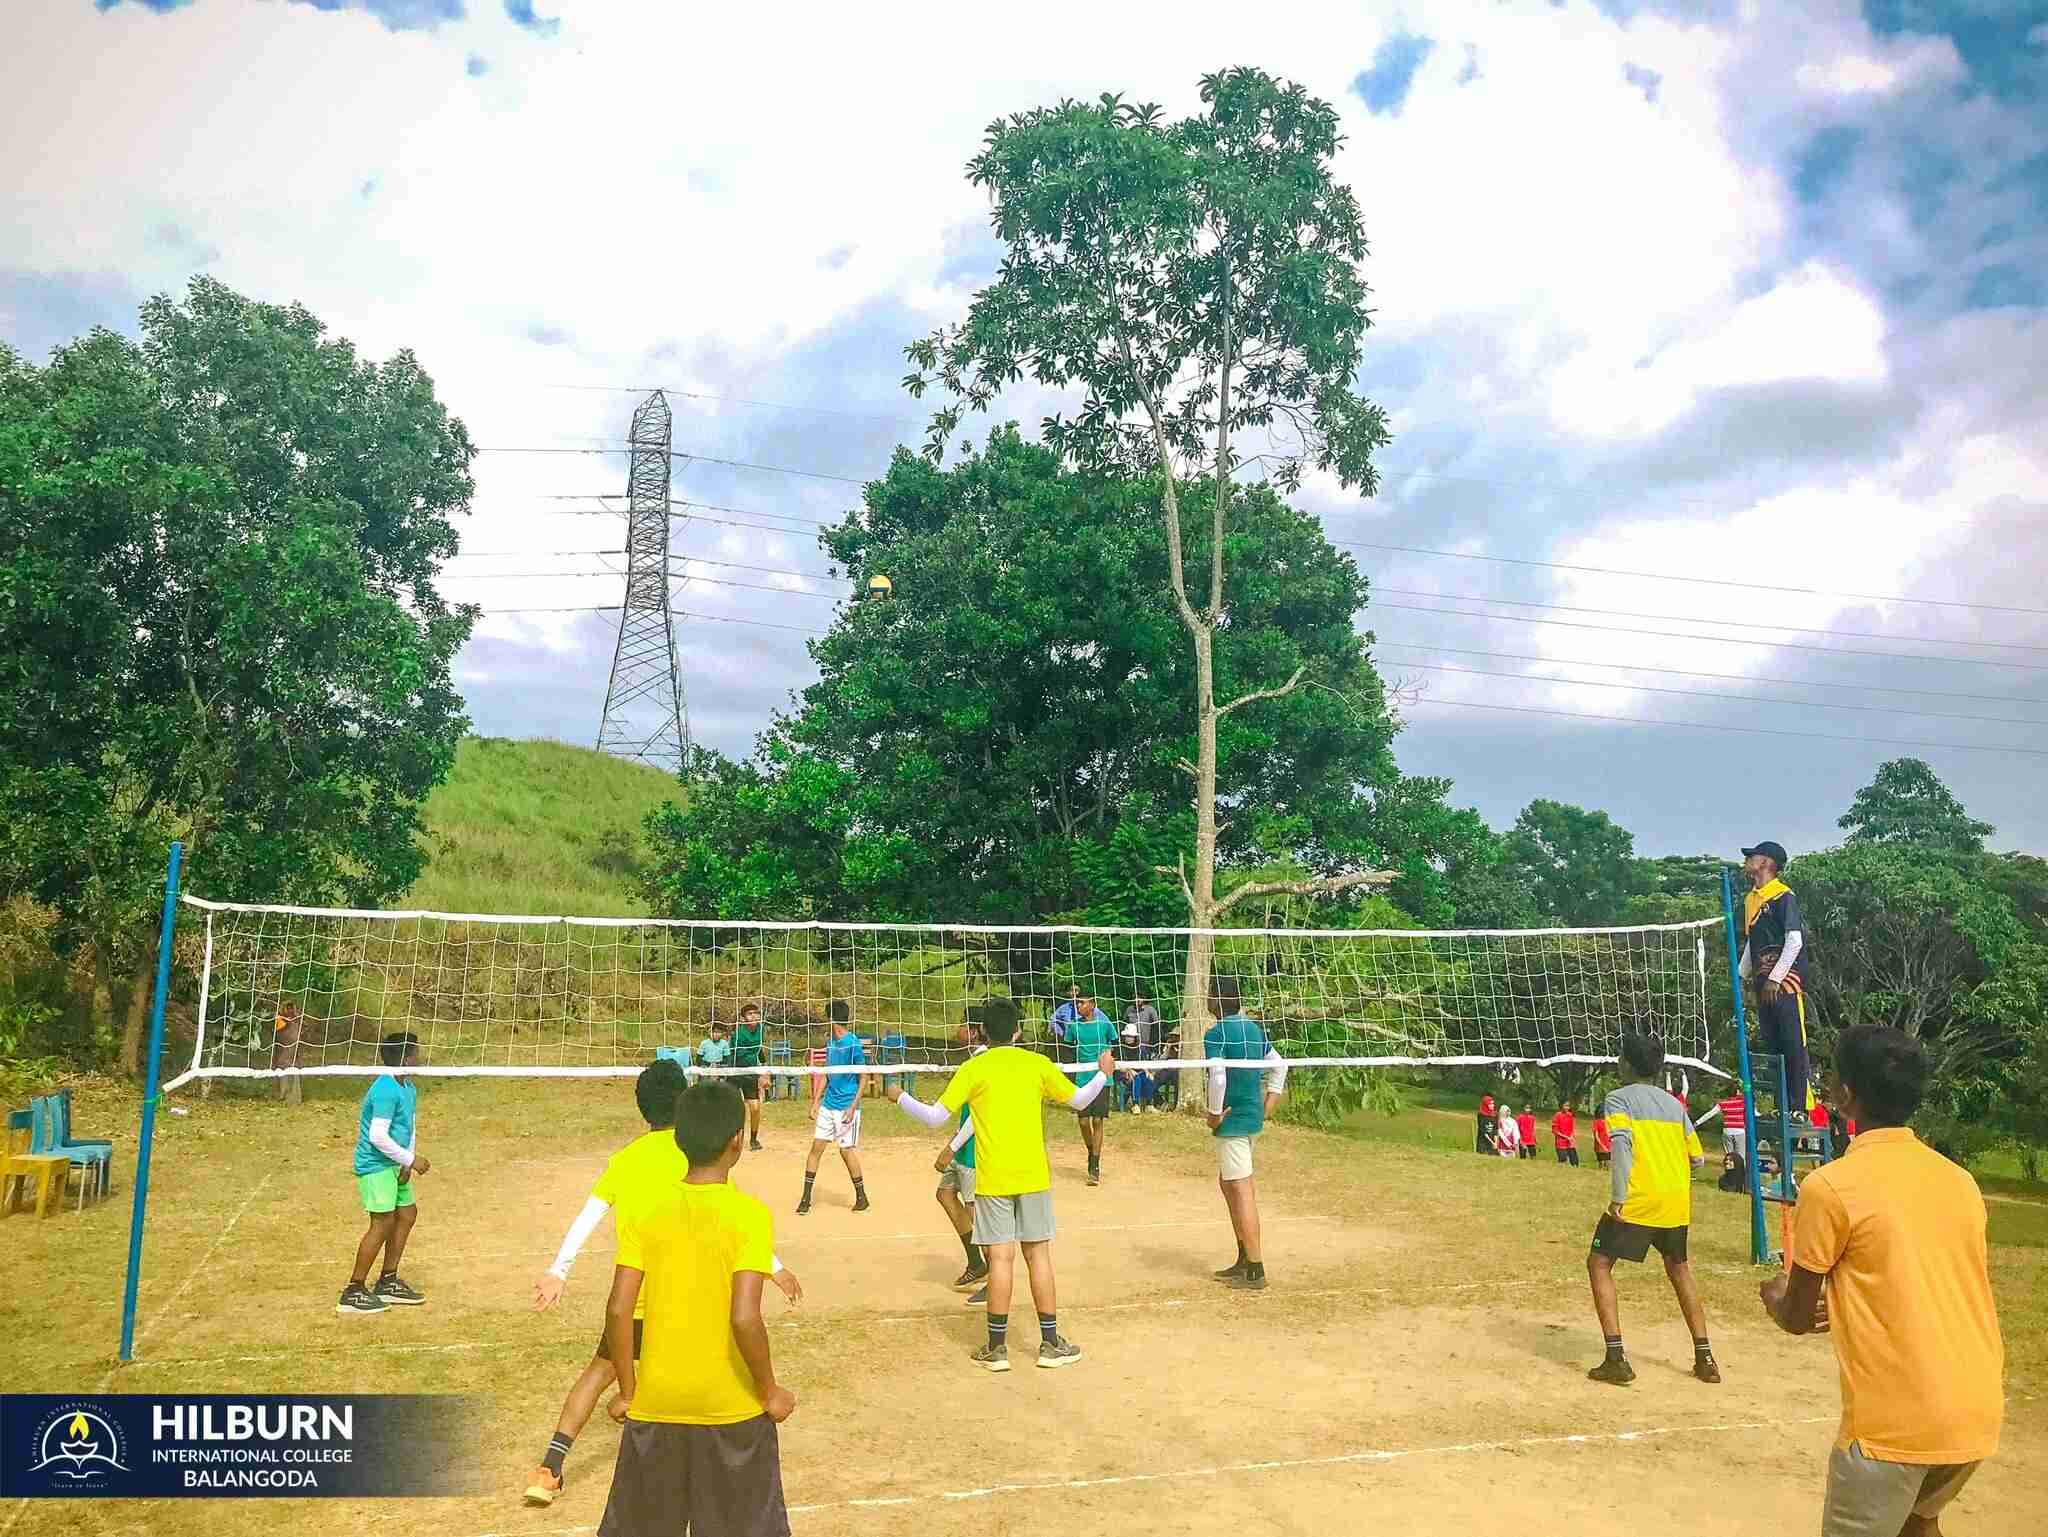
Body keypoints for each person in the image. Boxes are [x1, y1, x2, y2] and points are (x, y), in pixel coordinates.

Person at [1760, 1026, 2003, 1537]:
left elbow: (1799, 1316)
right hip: (1975, 1410)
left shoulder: (1830, 1187)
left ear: (1846, 1095)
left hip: (1895, 1427)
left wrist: (1777, 1294)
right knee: (1919, 1523)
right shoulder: (1958, 1181)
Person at [524, 1061, 801, 1506]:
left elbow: (588, 1217)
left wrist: (559, 1269)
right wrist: (775, 1266)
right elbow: (727, 1217)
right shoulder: (697, 1151)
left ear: (641, 1108)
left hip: (633, 1300)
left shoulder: (625, 1159)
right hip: (682, 1300)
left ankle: (550, 1467)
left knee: (600, 1373)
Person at [597, 1081, 796, 1537]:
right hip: (732, 1410)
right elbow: (744, 1316)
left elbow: (617, 1309)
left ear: (679, 1139)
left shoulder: (646, 1211)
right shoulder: (749, 1215)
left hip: (655, 1405)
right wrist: (769, 1391)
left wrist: (629, 1389)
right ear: (737, 1141)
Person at [893, 997, 1113, 1372]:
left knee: (1000, 1258)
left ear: (981, 1032)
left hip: (993, 1179)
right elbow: (1079, 1100)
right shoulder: (1035, 1064)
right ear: (1017, 1032)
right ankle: (1049, 1343)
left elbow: (933, 1118)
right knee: (1038, 1256)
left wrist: (899, 1096)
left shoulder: (974, 1068)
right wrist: (1103, 1073)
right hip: (1032, 1177)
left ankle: (997, 1349)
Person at [1586, 1031, 1719, 1387]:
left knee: (1598, 1263)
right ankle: (1705, 1357)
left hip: (1639, 1200)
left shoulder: (1618, 1100)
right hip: (1675, 1202)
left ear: (1625, 1063)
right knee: (1679, 1269)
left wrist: (1618, 1196)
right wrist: (1674, 1179)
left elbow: (1621, 1147)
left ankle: (1616, 1357)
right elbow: (1698, 1158)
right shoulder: (1674, 1105)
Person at [1206, 975, 1289, 1291]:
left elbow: (1218, 1076)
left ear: (1217, 1000)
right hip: (1252, 1119)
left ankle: (1255, 1269)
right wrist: (1271, 1101)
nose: (1207, 1000)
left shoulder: (1217, 1033)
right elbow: (1279, 1065)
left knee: (1241, 1189)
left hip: (1234, 1122)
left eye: (1210, 995)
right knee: (1228, 1183)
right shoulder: (1253, 1029)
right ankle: (1244, 1258)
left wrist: (1214, 1114)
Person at [340, 1032, 429, 1315]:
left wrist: (405, 1163)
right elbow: (377, 1136)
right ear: (405, 1057)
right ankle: (353, 1291)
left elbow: (410, 1126)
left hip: (395, 1164)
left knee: (407, 1214)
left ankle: (388, 1281)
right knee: (382, 1223)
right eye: (416, 1052)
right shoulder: (385, 1090)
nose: (420, 1057)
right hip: (376, 1166)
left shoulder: (408, 1086)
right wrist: (412, 1159)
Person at [1739, 840, 1815, 1117]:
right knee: (1773, 1046)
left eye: (1752, 856)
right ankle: (1780, 1106)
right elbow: (1752, 942)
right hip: (1762, 981)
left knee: (1793, 1041)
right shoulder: (1751, 900)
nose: (1747, 861)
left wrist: (1775, 978)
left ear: (1766, 863)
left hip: (1785, 982)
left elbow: (1794, 941)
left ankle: (1799, 1107)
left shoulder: (1783, 896)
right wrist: (1741, 976)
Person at [934, 1018, 989, 1299]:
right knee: (944, 1194)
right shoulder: (973, 1061)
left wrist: (951, 1148)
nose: (955, 1029)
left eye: (960, 1024)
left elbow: (978, 1115)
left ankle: (994, 1276)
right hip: (962, 1145)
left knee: (975, 1212)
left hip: (971, 1151)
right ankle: (976, 1262)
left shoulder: (981, 1064)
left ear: (974, 1030)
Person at [798, 1001, 868, 1215]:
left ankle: (862, 1197)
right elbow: (827, 1074)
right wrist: (815, 1102)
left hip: (847, 1105)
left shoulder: (852, 1043)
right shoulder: (830, 1044)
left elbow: (863, 1077)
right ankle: (805, 1199)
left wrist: (853, 1106)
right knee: (816, 1149)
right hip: (829, 1105)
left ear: (832, 1019)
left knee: (846, 1151)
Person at [1064, 990, 1118, 1185]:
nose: (1079, 1006)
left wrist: (1110, 1061)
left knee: (1097, 1121)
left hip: (1102, 1077)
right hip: (1082, 1078)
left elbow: (1115, 1043)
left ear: (1093, 1004)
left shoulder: (1104, 1024)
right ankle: (1091, 1152)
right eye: (1077, 1003)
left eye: (1083, 1003)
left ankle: (1094, 1165)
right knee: (1083, 1122)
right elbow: (1068, 1050)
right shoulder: (1073, 1026)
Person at [732, 1003, 767, 1150]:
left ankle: (753, 1139)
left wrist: (765, 1068)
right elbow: (738, 1056)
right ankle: (733, 1138)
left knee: (755, 1107)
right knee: (734, 1107)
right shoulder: (738, 1034)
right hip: (736, 1070)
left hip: (751, 1071)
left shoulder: (760, 1030)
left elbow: (759, 1050)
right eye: (749, 1014)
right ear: (744, 1018)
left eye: (756, 1013)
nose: (753, 1016)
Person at [1552, 1101, 1579, 1167]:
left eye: (1568, 1106)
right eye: (1565, 1106)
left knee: (1575, 1161)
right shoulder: (1557, 1115)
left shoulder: (1570, 1115)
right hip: (1561, 1141)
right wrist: (1566, 1137)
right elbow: (1555, 1131)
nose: (1566, 1107)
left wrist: (1572, 1137)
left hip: (1569, 1141)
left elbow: (1572, 1129)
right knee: (1562, 1160)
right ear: (1562, 1106)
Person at [1476, 1091, 1496, 1156]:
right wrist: (1492, 1142)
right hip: (1483, 1141)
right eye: (1490, 1104)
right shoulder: (1481, 1115)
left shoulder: (1495, 1114)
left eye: (1493, 1104)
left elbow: (1495, 1129)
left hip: (1492, 1140)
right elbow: (1483, 1130)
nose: (1493, 1105)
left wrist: (1495, 1142)